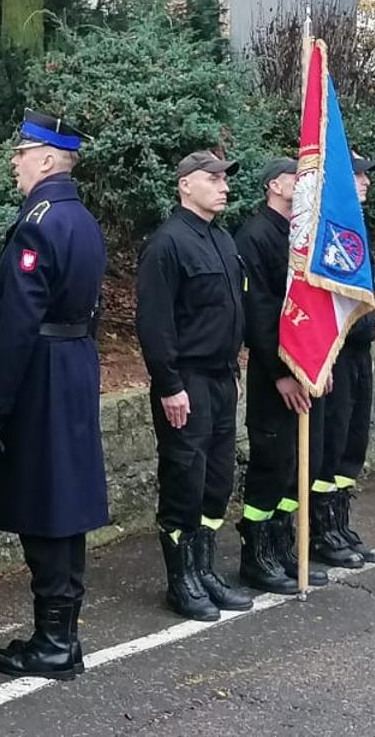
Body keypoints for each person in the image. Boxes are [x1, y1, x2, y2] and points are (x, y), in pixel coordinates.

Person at [0, 109, 109, 680]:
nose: (15, 160)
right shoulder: (80, 218)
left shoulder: (39, 221)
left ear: (50, 159)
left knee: (46, 503)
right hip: (74, 362)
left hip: (42, 372)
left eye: (24, 151)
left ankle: (53, 642)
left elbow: (17, 320)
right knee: (65, 502)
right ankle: (62, 635)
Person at [135, 150, 258, 620]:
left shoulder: (223, 239)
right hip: (187, 380)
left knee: (216, 480)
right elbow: (154, 323)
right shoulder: (167, 244)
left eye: (226, 178)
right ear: (186, 185)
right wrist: (168, 384)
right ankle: (180, 579)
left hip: (222, 377)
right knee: (184, 479)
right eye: (214, 179)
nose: (224, 186)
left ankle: (204, 568)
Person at [232, 157, 336, 595]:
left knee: (299, 463)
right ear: (273, 184)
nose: (302, 183)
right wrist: (280, 373)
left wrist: (319, 362)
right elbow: (258, 313)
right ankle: (257, 556)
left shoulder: (301, 236)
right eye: (295, 176)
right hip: (275, 372)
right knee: (272, 462)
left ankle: (284, 549)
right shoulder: (255, 236)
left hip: (305, 368)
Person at [316, 153, 375, 565]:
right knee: (332, 439)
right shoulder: (330, 230)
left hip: (360, 350)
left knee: (353, 443)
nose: (366, 182)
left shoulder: (359, 227)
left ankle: (339, 523)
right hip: (336, 352)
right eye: (358, 175)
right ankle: (321, 530)